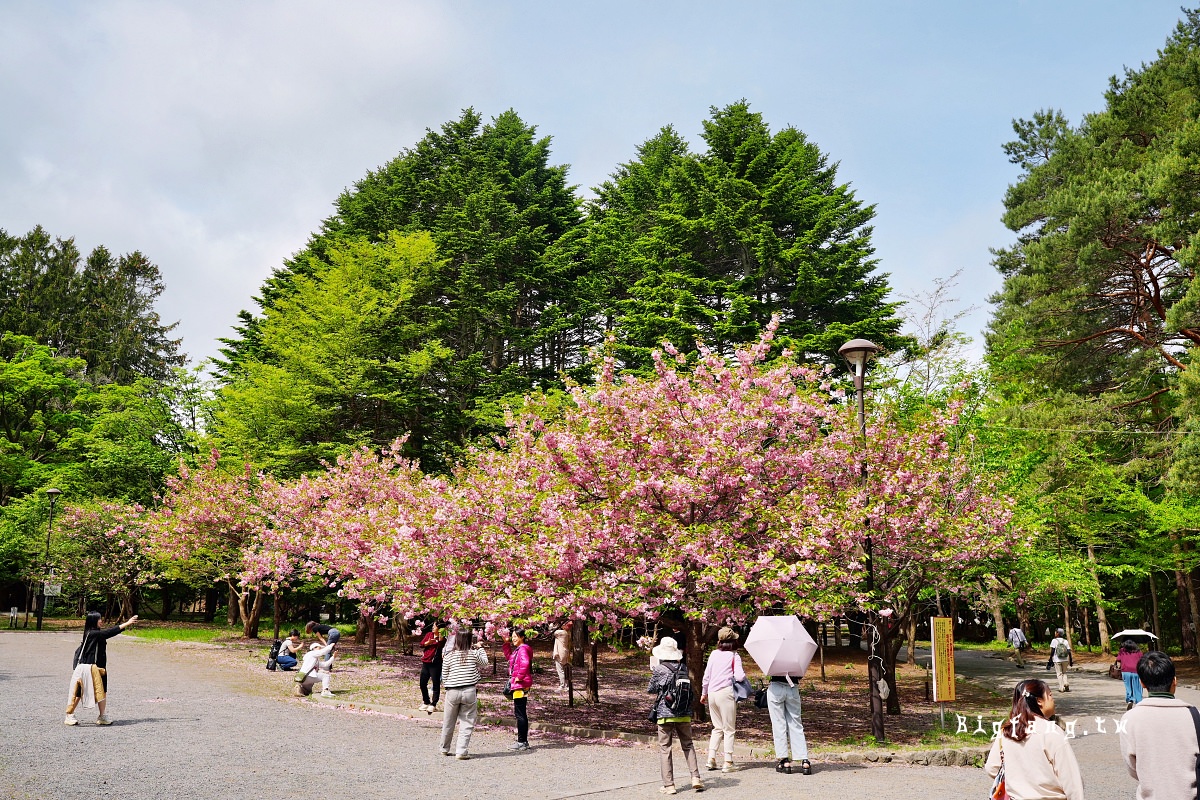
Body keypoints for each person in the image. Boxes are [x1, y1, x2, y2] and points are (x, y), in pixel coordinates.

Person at [985, 679, 1083, 800]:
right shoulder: (1052, 731)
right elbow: (1071, 781)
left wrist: (1018, 781)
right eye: (1050, 695)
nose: (1053, 700)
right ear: (1039, 701)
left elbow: (992, 768)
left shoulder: (1007, 731)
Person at [1120, 651, 1200, 799]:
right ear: (1174, 681)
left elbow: (1132, 768)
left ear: (1142, 683)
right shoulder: (1195, 715)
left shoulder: (1130, 719)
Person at [648, 637, 705, 795]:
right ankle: (696, 778)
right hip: (684, 713)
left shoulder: (660, 669)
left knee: (665, 748)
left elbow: (651, 689)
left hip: (665, 714)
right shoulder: (683, 668)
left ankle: (669, 785)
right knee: (688, 745)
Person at [64, 611, 139, 726]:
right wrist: (127, 623)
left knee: (102, 691)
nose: (101, 621)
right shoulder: (92, 633)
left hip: (99, 667)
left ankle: (102, 716)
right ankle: (69, 715)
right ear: (94, 621)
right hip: (88, 667)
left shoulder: (95, 633)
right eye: (99, 619)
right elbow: (109, 632)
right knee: (79, 692)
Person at [700, 627, 746, 773]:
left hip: (712, 693)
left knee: (717, 727)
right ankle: (728, 761)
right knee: (729, 729)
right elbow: (739, 677)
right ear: (734, 641)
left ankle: (711, 759)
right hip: (726, 693)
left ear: (719, 641)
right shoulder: (734, 656)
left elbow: (706, 675)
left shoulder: (713, 654)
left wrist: (704, 692)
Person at [439, 629, 488, 760]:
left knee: (448, 721)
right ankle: (461, 751)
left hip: (452, 691)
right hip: (469, 691)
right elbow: (485, 662)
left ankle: (444, 748)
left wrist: (449, 685)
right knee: (467, 722)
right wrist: (480, 648)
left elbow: (444, 674)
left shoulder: (449, 655)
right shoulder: (472, 654)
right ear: (469, 640)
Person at [765, 671, 811, 775]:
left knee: (778, 724)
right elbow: (800, 675)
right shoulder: (796, 657)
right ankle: (804, 760)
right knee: (796, 724)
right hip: (792, 688)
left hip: (776, 687)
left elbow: (768, 671)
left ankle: (784, 760)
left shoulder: (775, 656)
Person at [503, 628, 535, 751]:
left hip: (520, 685)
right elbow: (509, 658)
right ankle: (523, 741)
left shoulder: (522, 649)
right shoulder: (519, 650)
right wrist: (506, 644)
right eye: (512, 636)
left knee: (520, 713)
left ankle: (522, 741)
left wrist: (519, 677)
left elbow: (525, 663)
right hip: (519, 685)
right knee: (520, 712)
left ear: (522, 637)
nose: (513, 638)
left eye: (515, 636)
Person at [418, 624, 446, 713]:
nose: (433, 627)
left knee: (436, 684)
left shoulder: (442, 638)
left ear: (439, 628)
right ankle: (426, 701)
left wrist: (439, 639)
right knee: (422, 683)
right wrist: (428, 643)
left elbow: (441, 645)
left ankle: (433, 704)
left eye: (435, 626)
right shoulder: (429, 634)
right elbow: (421, 644)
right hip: (426, 662)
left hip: (435, 664)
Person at [1115, 639, 1144, 709]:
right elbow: (1143, 659)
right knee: (1137, 687)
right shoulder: (1138, 651)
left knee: (1128, 687)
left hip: (1126, 671)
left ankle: (1130, 700)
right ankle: (1139, 701)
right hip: (1136, 671)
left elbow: (1118, 659)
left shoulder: (1122, 650)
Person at [1049, 628, 1072, 692]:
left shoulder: (1054, 640)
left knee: (1059, 673)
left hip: (1057, 659)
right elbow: (1069, 651)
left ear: (1057, 633)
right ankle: (1066, 683)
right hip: (1065, 659)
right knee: (1064, 673)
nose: (1055, 633)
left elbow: (1052, 650)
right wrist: (1071, 660)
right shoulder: (1065, 641)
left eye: (1055, 632)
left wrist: (1050, 659)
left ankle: (1061, 687)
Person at [552, 622, 572, 691]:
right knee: (565, 670)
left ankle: (562, 685)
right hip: (565, 652)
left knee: (560, 670)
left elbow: (552, 630)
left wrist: (554, 623)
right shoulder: (568, 633)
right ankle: (566, 685)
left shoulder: (562, 633)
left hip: (560, 654)